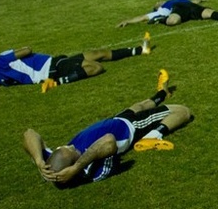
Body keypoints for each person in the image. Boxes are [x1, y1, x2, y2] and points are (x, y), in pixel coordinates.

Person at [22, 70, 193, 188]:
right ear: (73, 163)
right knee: (183, 111)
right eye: (71, 149)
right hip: (131, 127)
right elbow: (109, 140)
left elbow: (29, 133)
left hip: (115, 120)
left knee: (139, 105)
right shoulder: (91, 171)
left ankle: (162, 93)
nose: (70, 145)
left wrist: (38, 160)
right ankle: (154, 135)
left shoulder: (53, 165)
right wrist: (76, 169)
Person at [0, 33, 153, 92]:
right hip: (51, 69)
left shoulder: (1, 79)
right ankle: (57, 82)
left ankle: (140, 50)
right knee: (96, 67)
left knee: (96, 53)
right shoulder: (0, 61)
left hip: (53, 64)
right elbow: (27, 50)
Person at [117, 0, 218, 27]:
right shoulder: (162, 9)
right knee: (173, 21)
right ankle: (160, 20)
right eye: (156, 3)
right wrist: (127, 21)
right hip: (178, 9)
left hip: (190, 6)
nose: (158, 1)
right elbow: (143, 17)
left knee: (210, 13)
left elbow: (194, 0)